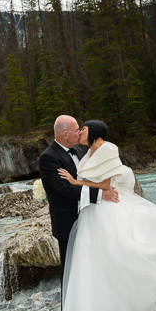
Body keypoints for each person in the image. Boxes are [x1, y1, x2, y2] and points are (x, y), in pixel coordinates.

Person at [58, 120, 156, 311]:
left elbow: (106, 184)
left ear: (95, 132)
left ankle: (129, 310)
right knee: (93, 261)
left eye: (84, 129)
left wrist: (74, 182)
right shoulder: (88, 152)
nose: (80, 132)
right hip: (93, 211)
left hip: (107, 209)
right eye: (79, 129)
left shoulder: (107, 149)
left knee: (118, 255)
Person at [38, 115, 119, 299]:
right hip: (67, 221)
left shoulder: (80, 152)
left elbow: (86, 180)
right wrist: (101, 195)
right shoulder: (48, 158)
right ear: (65, 134)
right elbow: (64, 189)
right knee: (70, 269)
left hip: (90, 217)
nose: (80, 133)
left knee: (90, 266)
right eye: (76, 130)